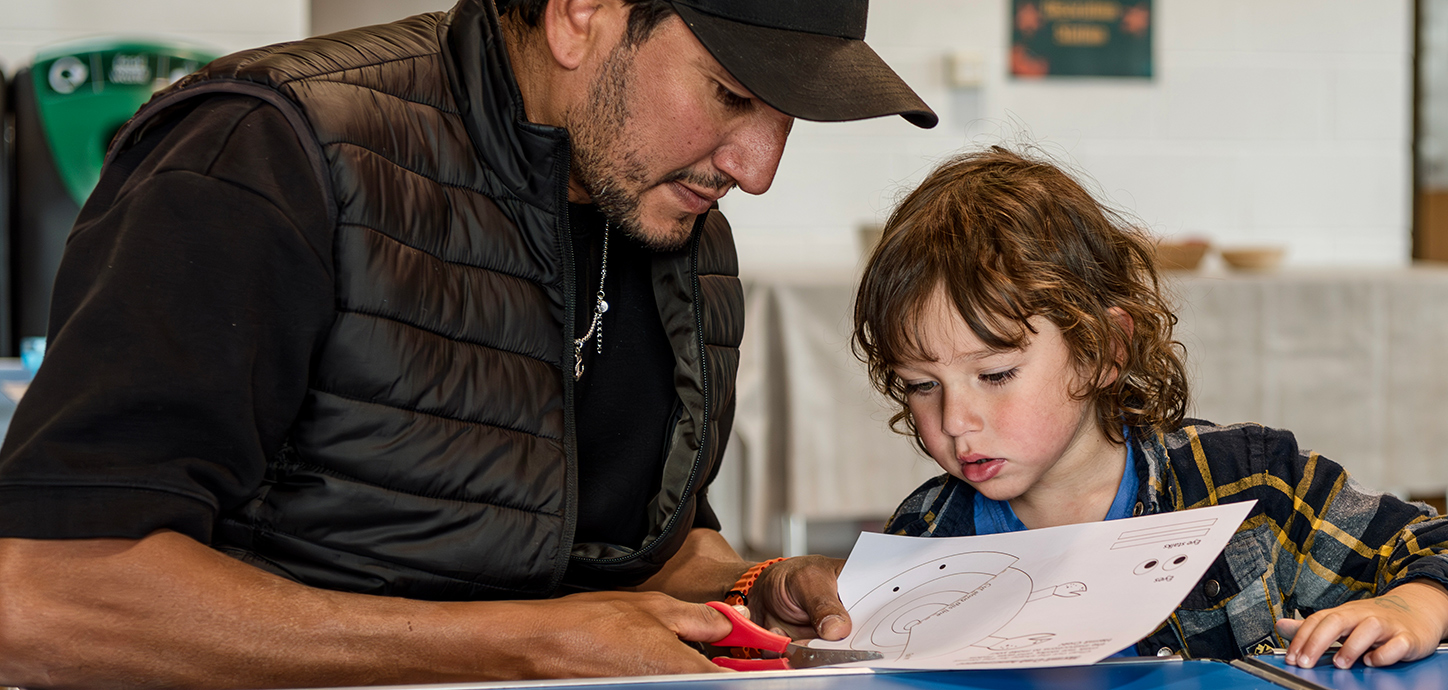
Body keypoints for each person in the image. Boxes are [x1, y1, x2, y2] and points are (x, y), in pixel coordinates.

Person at [0, 0, 936, 687]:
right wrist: (526, 643)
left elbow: (631, 551)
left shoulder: (667, 216)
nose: (759, 169)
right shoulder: (266, 153)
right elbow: (46, 598)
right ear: (581, 16)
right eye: (732, 94)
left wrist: (751, 584)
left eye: (790, 120)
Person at [852, 147, 1448, 669]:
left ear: (1103, 349)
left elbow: (1445, 548)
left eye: (995, 373)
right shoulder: (925, 536)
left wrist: (1411, 610)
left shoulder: (1251, 485)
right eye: (921, 385)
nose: (955, 421)